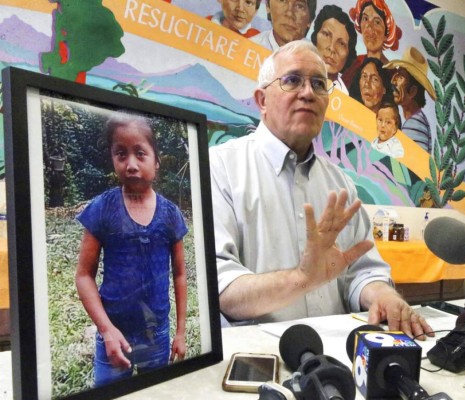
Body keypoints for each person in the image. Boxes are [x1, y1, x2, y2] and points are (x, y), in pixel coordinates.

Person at [210, 40, 433, 339]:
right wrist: (301, 279)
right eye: (292, 80)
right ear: (262, 100)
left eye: (319, 84)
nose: (308, 93)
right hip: (259, 358)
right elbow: (220, 288)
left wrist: (383, 296)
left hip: (338, 356)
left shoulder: (340, 185)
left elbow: (363, 272)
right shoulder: (220, 168)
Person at [75, 113, 188, 386]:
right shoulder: (102, 209)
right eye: (121, 154)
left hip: (156, 335)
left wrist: (181, 332)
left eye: (140, 153)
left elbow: (180, 274)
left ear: (156, 161)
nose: (131, 164)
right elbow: (84, 275)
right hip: (112, 336)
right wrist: (106, 329)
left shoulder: (171, 214)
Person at [384, 46, 436, 152]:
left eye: (400, 78)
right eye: (396, 76)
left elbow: (409, 166)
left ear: (412, 91)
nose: (393, 82)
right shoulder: (416, 121)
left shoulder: (414, 125)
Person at [342, 0, 402, 89]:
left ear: (387, 33)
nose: (369, 27)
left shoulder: (393, 75)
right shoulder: (355, 63)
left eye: (377, 22)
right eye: (365, 19)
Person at [310, 4, 357, 94]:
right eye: (326, 34)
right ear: (316, 37)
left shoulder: (345, 97)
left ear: (349, 54)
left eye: (341, 44)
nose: (332, 48)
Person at [251, 0, 317, 51]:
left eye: (299, 6)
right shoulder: (249, 46)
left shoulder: (317, 60)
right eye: (282, 0)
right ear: (268, 6)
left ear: (310, 20)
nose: (289, 13)